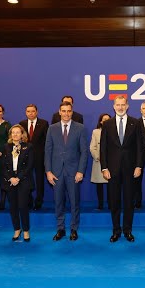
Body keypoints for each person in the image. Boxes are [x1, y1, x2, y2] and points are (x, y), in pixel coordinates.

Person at [100, 95, 142, 243]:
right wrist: (104, 167)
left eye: (123, 104)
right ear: (113, 106)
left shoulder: (135, 123)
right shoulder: (107, 124)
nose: (120, 107)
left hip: (131, 169)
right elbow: (103, 148)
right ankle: (116, 231)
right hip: (112, 170)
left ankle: (127, 230)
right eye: (118, 105)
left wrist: (138, 165)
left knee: (129, 201)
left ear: (127, 106)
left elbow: (139, 147)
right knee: (114, 201)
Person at [45, 101, 88, 241]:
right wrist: (48, 171)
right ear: (59, 112)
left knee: (74, 202)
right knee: (58, 202)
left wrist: (81, 171)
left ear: (72, 111)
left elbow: (84, 152)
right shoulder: (52, 128)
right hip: (56, 172)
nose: (66, 114)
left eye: (68, 111)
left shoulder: (80, 128)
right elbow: (48, 152)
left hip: (74, 172)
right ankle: (60, 229)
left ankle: (74, 229)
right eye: (63, 111)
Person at [2, 124, 35, 242]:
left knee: (23, 206)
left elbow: (30, 165)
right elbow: (4, 166)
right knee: (13, 207)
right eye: (13, 132)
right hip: (10, 181)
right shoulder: (6, 147)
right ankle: (17, 229)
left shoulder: (28, 147)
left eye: (18, 132)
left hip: (24, 180)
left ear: (22, 134)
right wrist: (11, 178)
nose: (15, 134)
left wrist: (18, 178)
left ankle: (25, 230)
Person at [19, 104, 49, 210]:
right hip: (25, 157)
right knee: (26, 179)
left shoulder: (44, 123)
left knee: (39, 179)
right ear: (26, 113)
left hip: (39, 156)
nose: (30, 113)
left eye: (32, 111)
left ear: (36, 112)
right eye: (28, 111)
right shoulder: (21, 124)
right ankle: (29, 200)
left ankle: (39, 201)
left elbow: (47, 141)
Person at [90, 113, 111, 210]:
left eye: (108, 119)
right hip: (99, 162)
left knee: (111, 185)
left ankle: (112, 204)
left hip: (112, 162)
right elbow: (92, 147)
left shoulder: (115, 131)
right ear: (101, 122)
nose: (106, 121)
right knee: (99, 185)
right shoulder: (96, 132)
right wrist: (98, 157)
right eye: (104, 119)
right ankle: (100, 205)